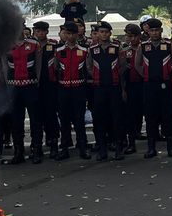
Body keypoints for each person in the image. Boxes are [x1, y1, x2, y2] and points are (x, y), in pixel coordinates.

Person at [134, 18, 172, 158]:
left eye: (157, 30)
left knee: (167, 115)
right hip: (149, 85)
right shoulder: (142, 46)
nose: (154, 33)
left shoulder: (169, 45)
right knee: (150, 116)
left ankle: (170, 147)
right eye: (152, 30)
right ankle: (151, 148)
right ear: (148, 32)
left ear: (161, 30)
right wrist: (147, 76)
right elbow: (138, 65)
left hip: (165, 85)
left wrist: (168, 74)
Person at [87, 21, 126, 161]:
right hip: (99, 88)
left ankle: (118, 148)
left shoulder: (117, 48)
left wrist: (114, 77)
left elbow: (123, 66)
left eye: (106, 32)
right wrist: (98, 77)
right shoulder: (93, 49)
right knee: (99, 119)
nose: (103, 34)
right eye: (100, 32)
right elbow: (89, 67)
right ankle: (102, 149)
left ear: (110, 33)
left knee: (117, 119)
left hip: (114, 87)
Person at [2, 29, 42, 164]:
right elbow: (4, 66)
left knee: (35, 120)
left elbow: (39, 65)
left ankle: (36, 150)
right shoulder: (6, 45)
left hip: (30, 86)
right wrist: (8, 85)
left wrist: (37, 82)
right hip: (14, 88)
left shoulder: (34, 44)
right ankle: (18, 152)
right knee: (16, 121)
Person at [55, 21, 91, 160]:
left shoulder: (85, 49)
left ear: (77, 34)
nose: (69, 36)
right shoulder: (58, 50)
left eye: (72, 33)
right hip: (63, 88)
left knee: (79, 120)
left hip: (79, 89)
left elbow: (88, 69)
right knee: (63, 120)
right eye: (67, 33)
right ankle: (64, 149)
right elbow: (56, 69)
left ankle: (83, 147)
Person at [33, 21, 60, 159]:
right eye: (37, 31)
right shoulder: (31, 46)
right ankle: (36, 147)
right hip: (34, 85)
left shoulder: (53, 45)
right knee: (36, 117)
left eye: (42, 31)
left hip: (50, 84)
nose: (40, 34)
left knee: (51, 114)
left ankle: (54, 143)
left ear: (47, 32)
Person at [121, 23, 144, 154]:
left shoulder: (145, 48)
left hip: (143, 84)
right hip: (130, 85)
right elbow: (121, 73)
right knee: (129, 114)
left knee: (142, 112)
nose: (131, 39)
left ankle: (140, 133)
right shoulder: (124, 51)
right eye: (128, 36)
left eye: (133, 36)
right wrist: (123, 89)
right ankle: (131, 142)